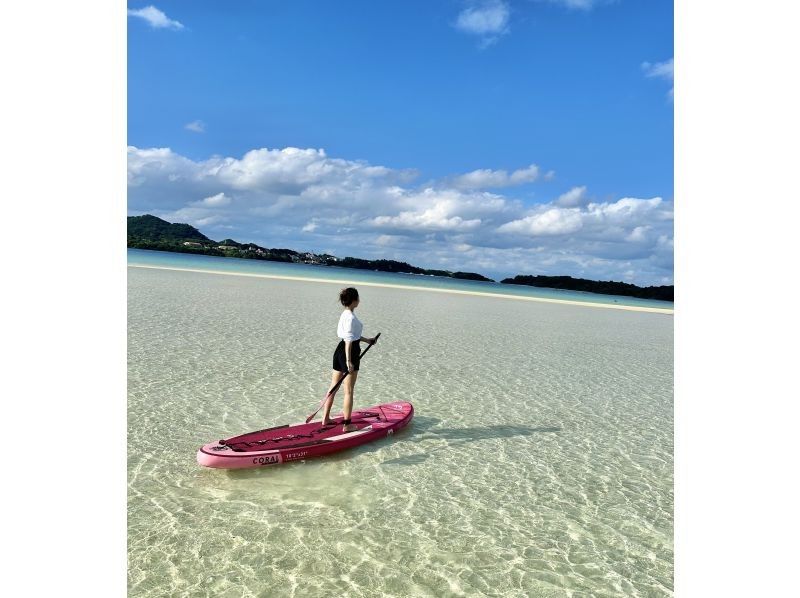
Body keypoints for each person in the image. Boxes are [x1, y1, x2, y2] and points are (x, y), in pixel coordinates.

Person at [321, 287, 378, 432]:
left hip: (339, 351)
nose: (359, 300)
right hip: (349, 352)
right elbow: (349, 340)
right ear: (354, 300)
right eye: (358, 298)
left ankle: (325, 418)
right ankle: (347, 425)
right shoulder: (352, 317)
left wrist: (367, 340)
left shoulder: (345, 314)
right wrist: (348, 361)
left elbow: (352, 336)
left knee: (333, 386)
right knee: (349, 391)